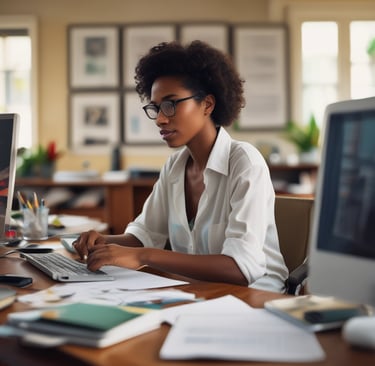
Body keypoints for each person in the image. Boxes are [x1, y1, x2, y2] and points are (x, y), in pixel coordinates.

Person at [74, 40, 288, 292]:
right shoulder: (175, 166)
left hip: (256, 298)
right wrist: (103, 242)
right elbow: (145, 234)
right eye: (155, 107)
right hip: (196, 294)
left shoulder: (245, 163)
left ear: (207, 104)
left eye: (171, 104)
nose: (161, 119)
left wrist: (144, 256)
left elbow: (240, 269)